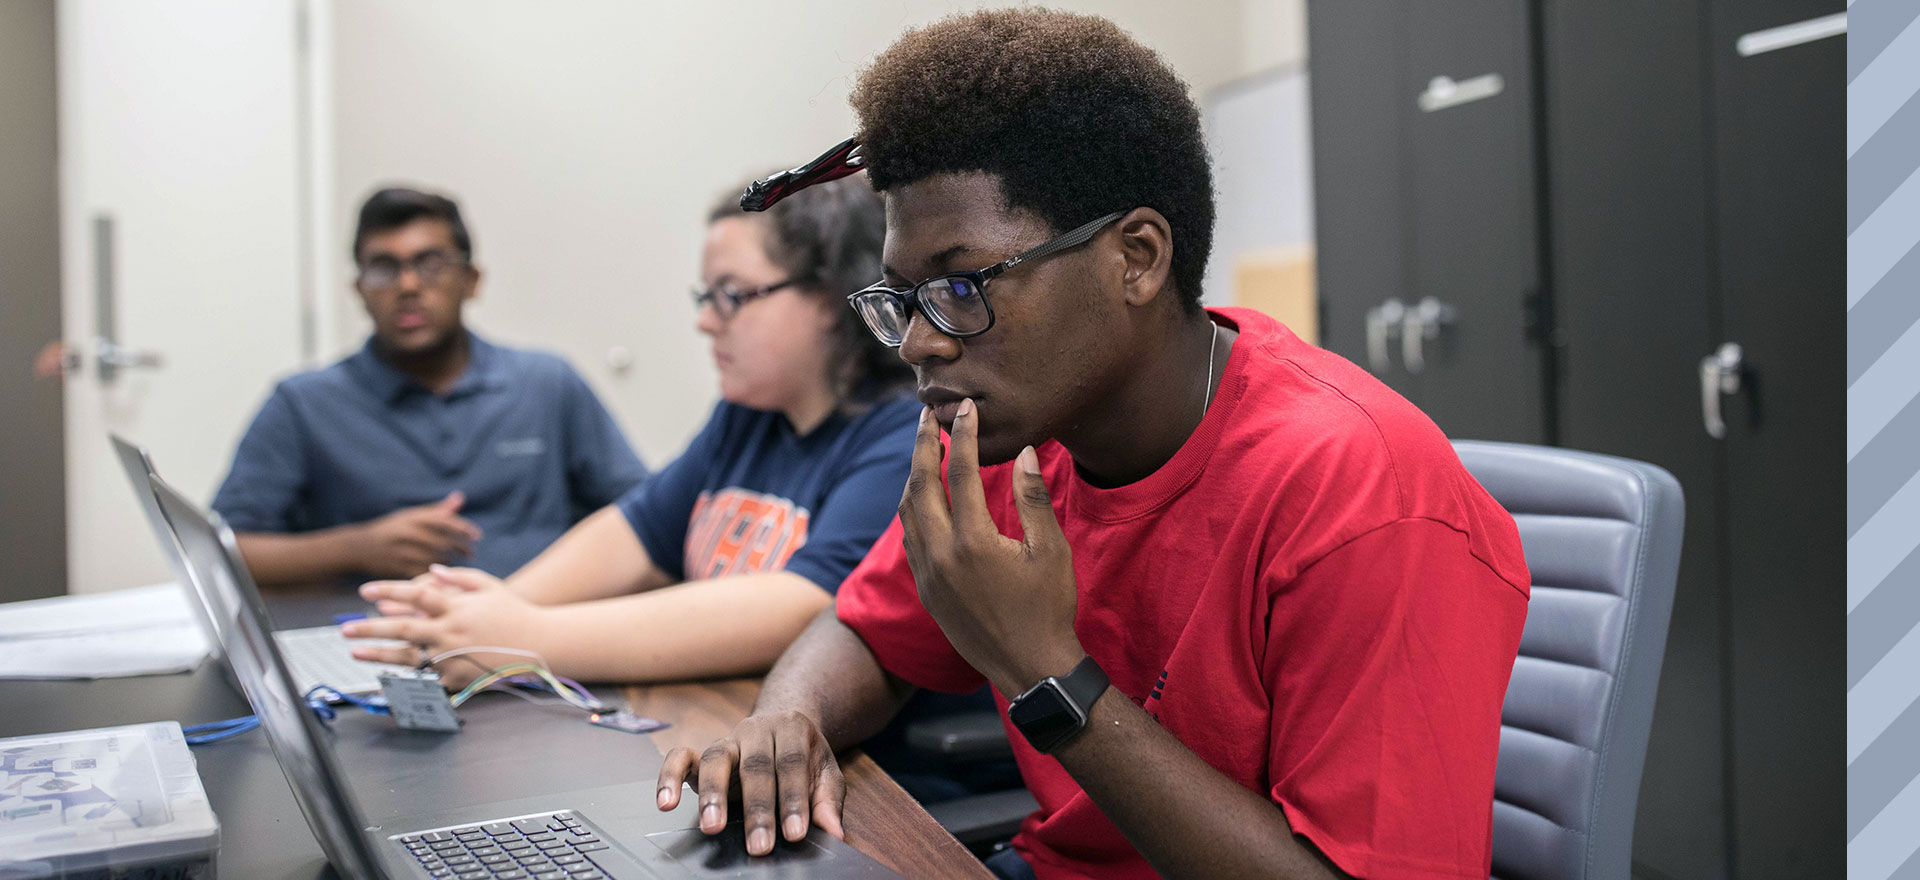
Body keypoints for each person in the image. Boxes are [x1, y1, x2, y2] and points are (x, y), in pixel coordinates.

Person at [654, 11, 1532, 880]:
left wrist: (1043, 669)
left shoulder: (1361, 495)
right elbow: (868, 630)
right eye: (902, 298)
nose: (920, 341)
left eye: (962, 286)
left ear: (1137, 259)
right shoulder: (1013, 436)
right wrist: (788, 714)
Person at [340, 177, 924, 690]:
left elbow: (803, 606)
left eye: (732, 295)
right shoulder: (749, 416)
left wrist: (525, 635)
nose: (704, 321)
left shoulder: (902, 436)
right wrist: (476, 614)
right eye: (705, 297)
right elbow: (635, 531)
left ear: (827, 298)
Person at [211, 186, 648, 586]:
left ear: (471, 281)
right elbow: (223, 552)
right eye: (384, 269)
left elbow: (646, 516)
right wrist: (356, 548)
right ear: (359, 289)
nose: (408, 285)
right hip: (376, 638)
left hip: (543, 629)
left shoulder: (548, 384)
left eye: (431, 264)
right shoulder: (303, 404)